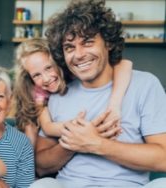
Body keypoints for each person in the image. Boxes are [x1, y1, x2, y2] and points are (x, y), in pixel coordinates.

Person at [30, 0, 166, 187]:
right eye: (69, 47)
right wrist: (72, 144)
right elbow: (42, 166)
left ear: (108, 43)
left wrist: (97, 144)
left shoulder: (144, 85)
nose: (78, 54)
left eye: (87, 42)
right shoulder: (59, 91)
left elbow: (163, 159)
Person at [14, 38, 132, 147]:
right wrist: (81, 130)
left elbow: (125, 64)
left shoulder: (74, 71)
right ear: (29, 78)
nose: (46, 78)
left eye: (49, 68)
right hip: (44, 130)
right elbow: (48, 128)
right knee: (30, 133)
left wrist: (114, 106)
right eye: (36, 75)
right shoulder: (38, 93)